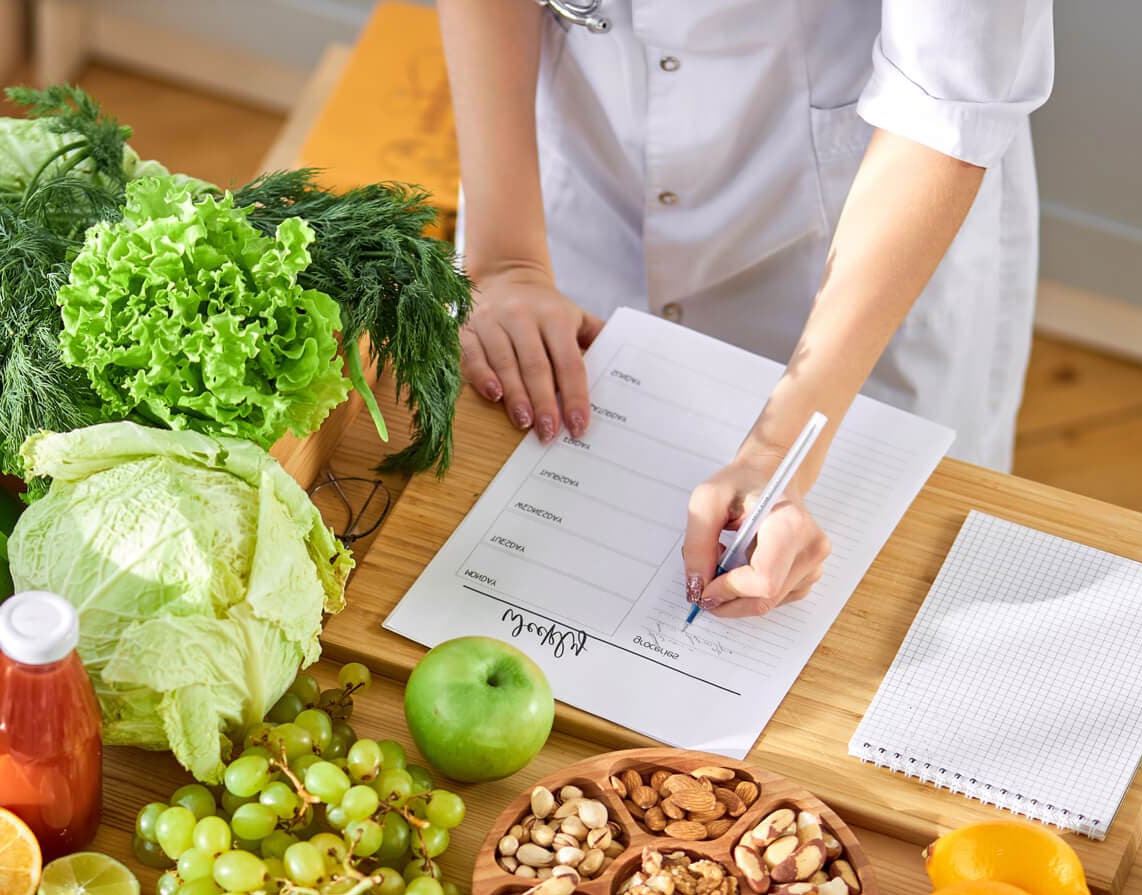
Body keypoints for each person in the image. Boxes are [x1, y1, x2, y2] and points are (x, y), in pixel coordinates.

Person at [438, 0, 1054, 618]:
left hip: (858, 223)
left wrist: (778, 454)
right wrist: (507, 263)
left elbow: (942, 99)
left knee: (883, 600)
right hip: (574, 172)